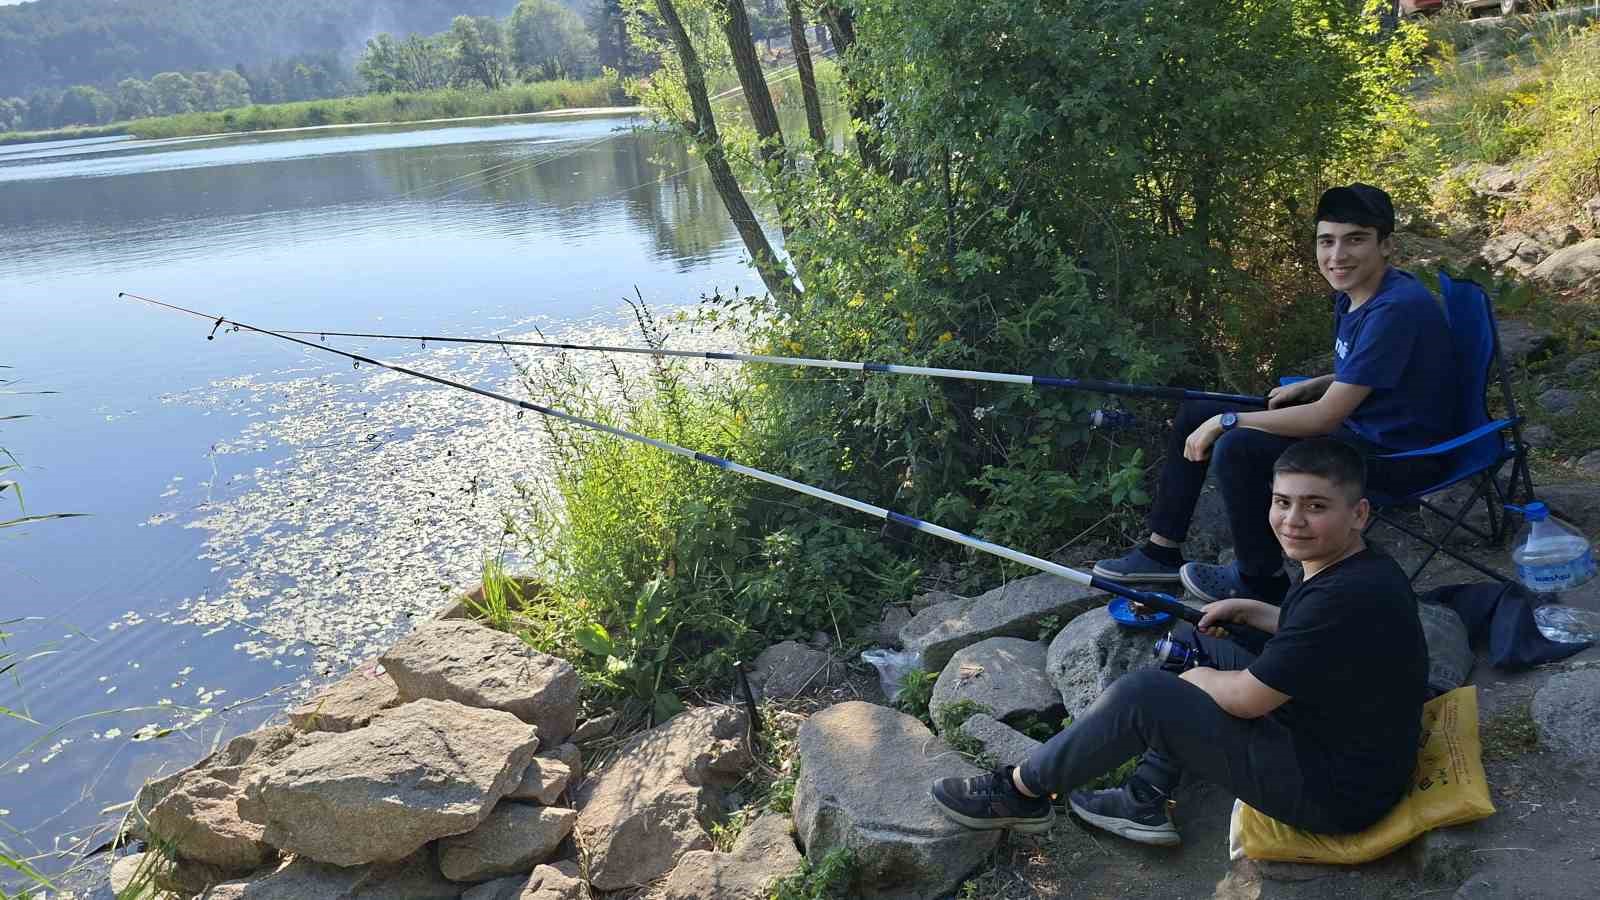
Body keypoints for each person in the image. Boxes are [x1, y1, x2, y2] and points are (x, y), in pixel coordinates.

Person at [931, 438, 1427, 844]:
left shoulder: (1337, 595)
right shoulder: (1361, 566)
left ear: (1358, 512)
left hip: (1334, 792)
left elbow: (1251, 700)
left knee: (1146, 695)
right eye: (1282, 502)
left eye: (1315, 506)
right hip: (1343, 742)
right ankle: (1144, 798)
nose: (1293, 521)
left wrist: (1203, 681)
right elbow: (1326, 641)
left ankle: (1019, 793)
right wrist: (1256, 612)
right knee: (1197, 638)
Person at [1093, 183, 1457, 605]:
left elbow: (1323, 419)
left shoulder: (1395, 308)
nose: (1337, 256)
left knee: (1237, 446)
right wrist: (1317, 383)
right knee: (1198, 410)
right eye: (1327, 241)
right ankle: (1161, 551)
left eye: (1355, 240)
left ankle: (1260, 582)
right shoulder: (1360, 292)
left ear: (1386, 245)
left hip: (1399, 455)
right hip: (1371, 423)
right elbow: (1371, 370)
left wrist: (1231, 421)